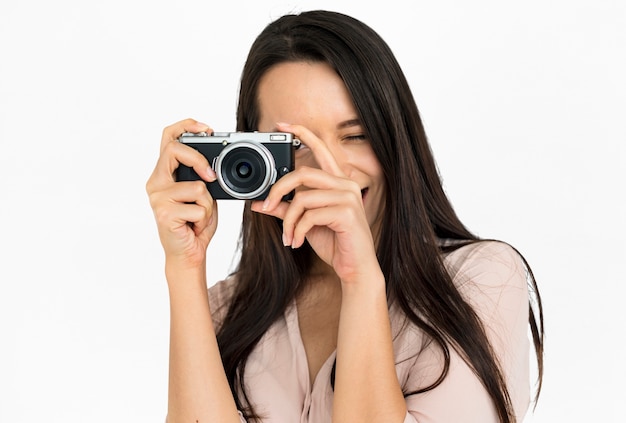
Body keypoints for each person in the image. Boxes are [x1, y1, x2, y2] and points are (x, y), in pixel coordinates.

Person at [146, 10, 544, 423]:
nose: (327, 169)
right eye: (294, 144)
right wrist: (184, 268)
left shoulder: (479, 279)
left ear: (394, 137)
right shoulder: (229, 310)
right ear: (253, 153)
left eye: (355, 136)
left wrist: (359, 278)